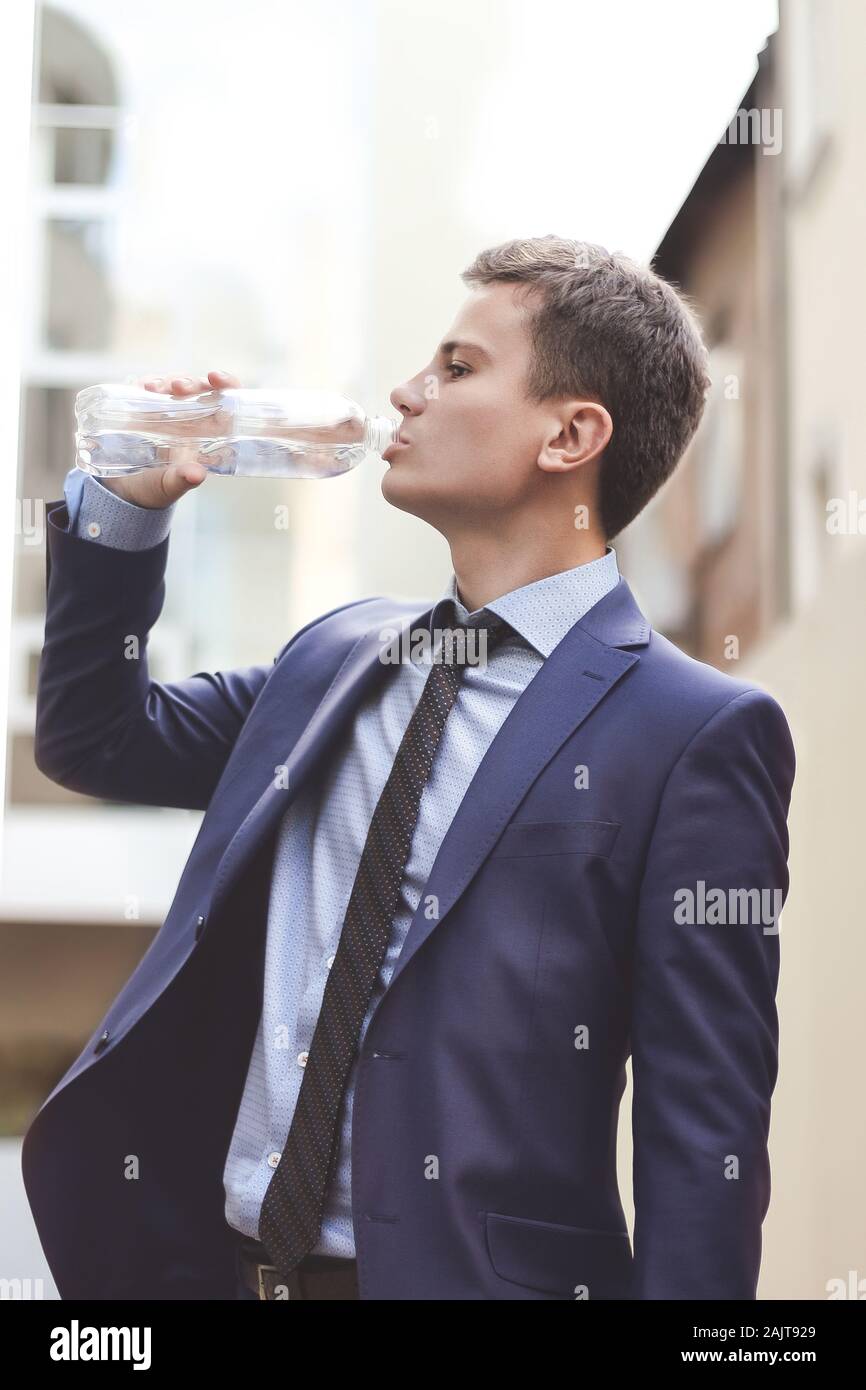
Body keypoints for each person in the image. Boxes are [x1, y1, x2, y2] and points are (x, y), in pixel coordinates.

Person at [23, 235, 795, 1301]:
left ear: (569, 434)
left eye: (457, 367)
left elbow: (701, 1130)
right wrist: (127, 513)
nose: (404, 393)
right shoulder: (334, 659)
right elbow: (95, 739)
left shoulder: (692, 732)